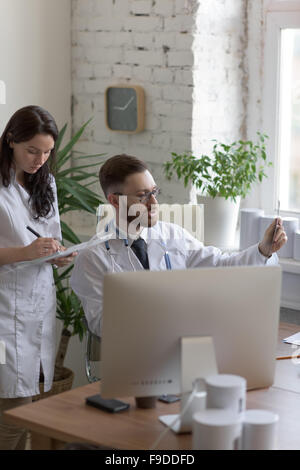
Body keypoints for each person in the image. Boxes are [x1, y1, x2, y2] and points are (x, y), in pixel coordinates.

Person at [70, 154, 287, 338]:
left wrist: (263, 250)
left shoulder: (172, 235)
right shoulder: (92, 257)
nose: (153, 203)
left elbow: (222, 265)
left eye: (154, 192)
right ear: (115, 201)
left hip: (184, 348)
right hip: (134, 356)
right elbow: (101, 325)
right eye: (142, 196)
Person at [0, 105, 76, 450]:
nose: (39, 159)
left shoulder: (46, 183)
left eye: (47, 152)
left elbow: (50, 239)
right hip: (5, 311)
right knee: (13, 414)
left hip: (38, 307)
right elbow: (26, 249)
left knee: (30, 409)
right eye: (32, 150)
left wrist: (61, 255)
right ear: (11, 140)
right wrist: (25, 253)